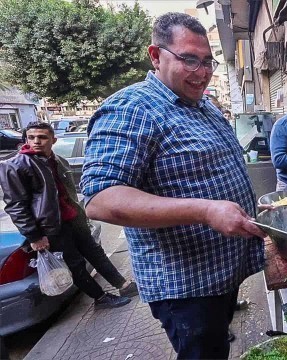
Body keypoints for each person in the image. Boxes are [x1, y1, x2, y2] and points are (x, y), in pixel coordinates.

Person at [80, 13, 266, 359]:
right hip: (186, 287)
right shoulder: (132, 107)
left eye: (208, 61)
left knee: (216, 347)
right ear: (156, 55)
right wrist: (206, 210)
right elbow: (100, 198)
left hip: (222, 275)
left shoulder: (205, 106)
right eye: (189, 60)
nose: (203, 71)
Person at [0, 122, 137, 310]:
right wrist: (34, 236)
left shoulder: (57, 161)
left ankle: (123, 285)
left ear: (53, 140)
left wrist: (82, 216)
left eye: (42, 137)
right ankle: (100, 298)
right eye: (31, 137)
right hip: (52, 227)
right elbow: (16, 206)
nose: (36, 141)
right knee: (75, 263)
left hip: (74, 218)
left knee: (95, 252)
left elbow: (68, 192)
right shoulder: (14, 166)